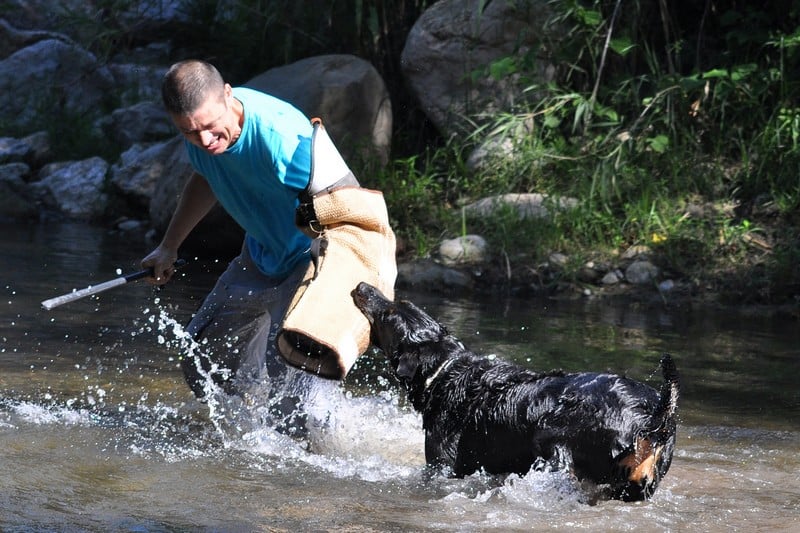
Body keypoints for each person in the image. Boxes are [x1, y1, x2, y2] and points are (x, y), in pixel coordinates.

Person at [141, 59, 323, 412]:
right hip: (260, 255)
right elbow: (206, 177)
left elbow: (346, 207)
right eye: (190, 133)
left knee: (294, 401)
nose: (205, 140)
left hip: (312, 262)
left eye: (210, 127)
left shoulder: (285, 143)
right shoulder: (202, 126)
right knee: (202, 363)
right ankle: (244, 442)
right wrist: (169, 247)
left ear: (227, 95)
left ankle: (309, 456)